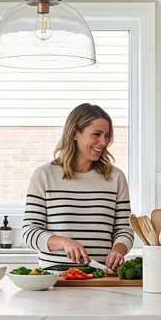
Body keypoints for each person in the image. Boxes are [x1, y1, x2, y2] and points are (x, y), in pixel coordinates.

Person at [20, 103, 134, 271]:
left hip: (101, 277)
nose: (103, 142)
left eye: (107, 136)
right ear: (75, 134)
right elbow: (29, 232)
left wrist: (118, 250)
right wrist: (63, 242)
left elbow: (124, 229)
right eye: (97, 134)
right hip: (55, 278)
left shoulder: (115, 177)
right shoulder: (44, 175)